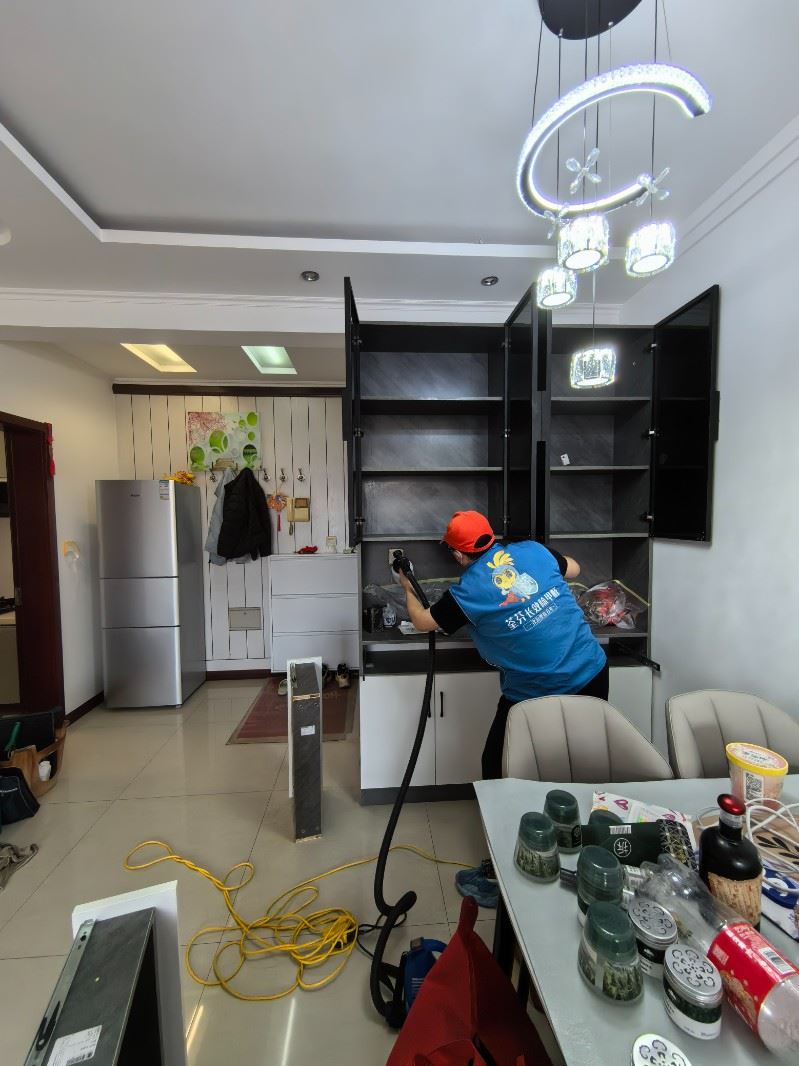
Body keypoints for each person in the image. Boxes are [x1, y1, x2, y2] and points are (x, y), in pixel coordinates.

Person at [397, 509, 608, 907]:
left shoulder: (468, 592)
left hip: (534, 691)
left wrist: (407, 585)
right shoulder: (531, 550)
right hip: (592, 670)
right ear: (492, 537)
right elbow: (575, 568)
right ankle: (585, 861)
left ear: (457, 554)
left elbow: (423, 621)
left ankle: (502, 874)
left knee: (497, 770)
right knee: (582, 766)